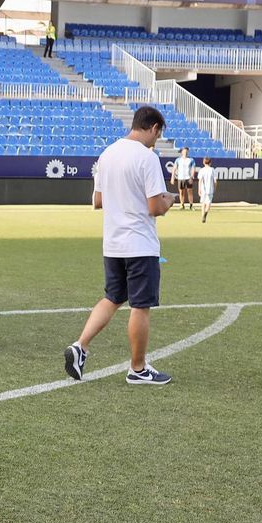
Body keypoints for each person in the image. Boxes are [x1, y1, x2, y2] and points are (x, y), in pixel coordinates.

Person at [63, 106, 174, 386]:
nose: (155, 140)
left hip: (113, 243)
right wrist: (169, 200)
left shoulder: (107, 154)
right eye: (157, 135)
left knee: (112, 297)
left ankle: (81, 345)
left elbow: (98, 201)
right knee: (141, 305)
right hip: (139, 244)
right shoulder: (147, 158)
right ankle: (138, 369)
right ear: (154, 128)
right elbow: (155, 206)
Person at [197, 156, 216, 223]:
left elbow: (200, 180)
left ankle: (202, 216)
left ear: (203, 162)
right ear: (210, 163)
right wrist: (215, 188)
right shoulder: (212, 170)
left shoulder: (202, 170)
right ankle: (205, 214)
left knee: (203, 203)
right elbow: (215, 181)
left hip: (203, 189)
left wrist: (199, 189)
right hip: (210, 189)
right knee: (208, 203)